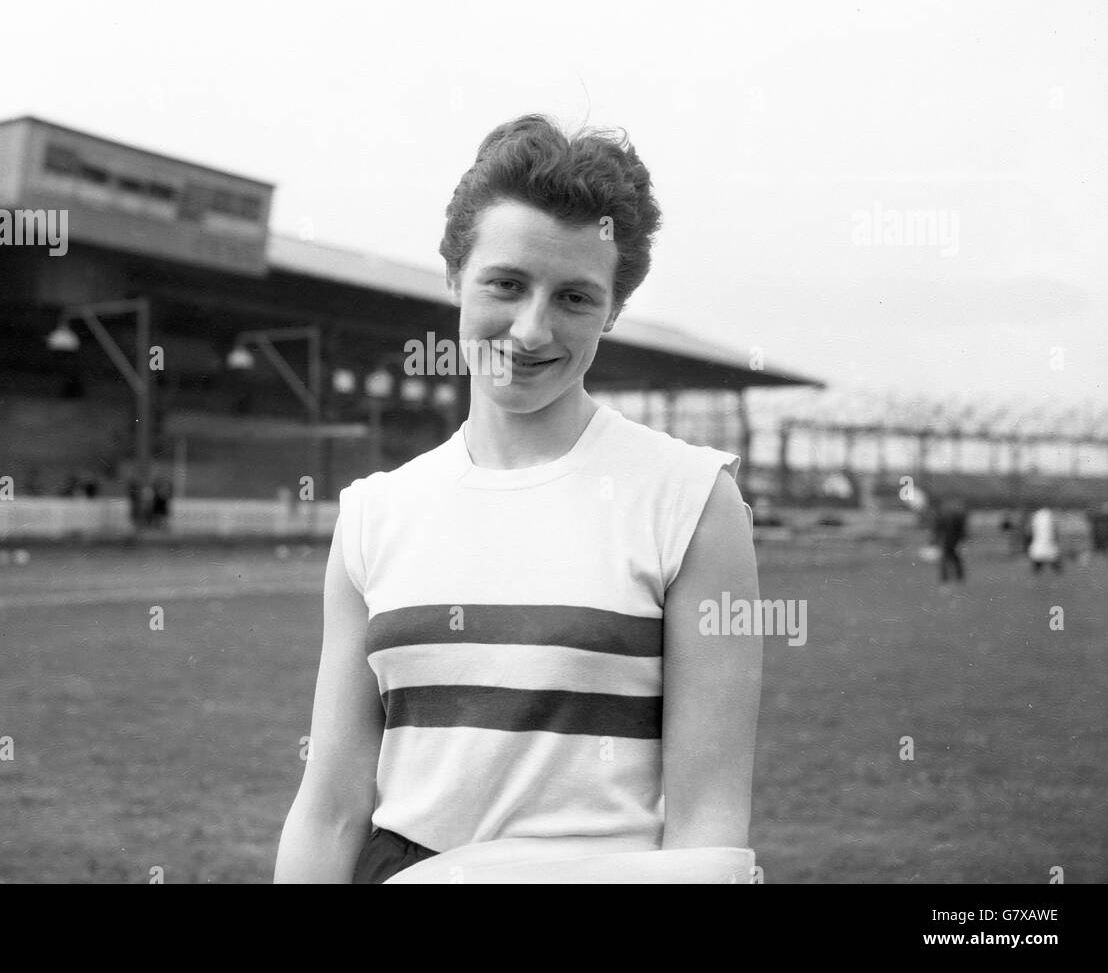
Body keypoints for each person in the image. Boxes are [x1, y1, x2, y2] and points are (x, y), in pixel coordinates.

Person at [274, 115, 762, 884]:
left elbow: (708, 828)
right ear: (454, 276)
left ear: (614, 310)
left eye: (574, 297)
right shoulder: (375, 513)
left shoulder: (692, 499)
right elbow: (331, 806)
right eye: (506, 284)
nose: (532, 330)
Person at [931, 497, 968, 590]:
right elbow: (938, 529)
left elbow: (960, 530)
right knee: (950, 559)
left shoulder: (951, 515)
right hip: (948, 540)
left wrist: (961, 540)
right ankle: (951, 579)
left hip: (950, 540)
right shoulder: (944, 515)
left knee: (951, 558)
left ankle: (951, 579)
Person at [1028, 505, 1062, 574]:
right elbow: (1055, 530)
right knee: (1052, 558)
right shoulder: (1050, 516)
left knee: (1039, 560)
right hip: (1048, 546)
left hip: (1039, 547)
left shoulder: (1037, 516)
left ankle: (1037, 571)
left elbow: (1031, 530)